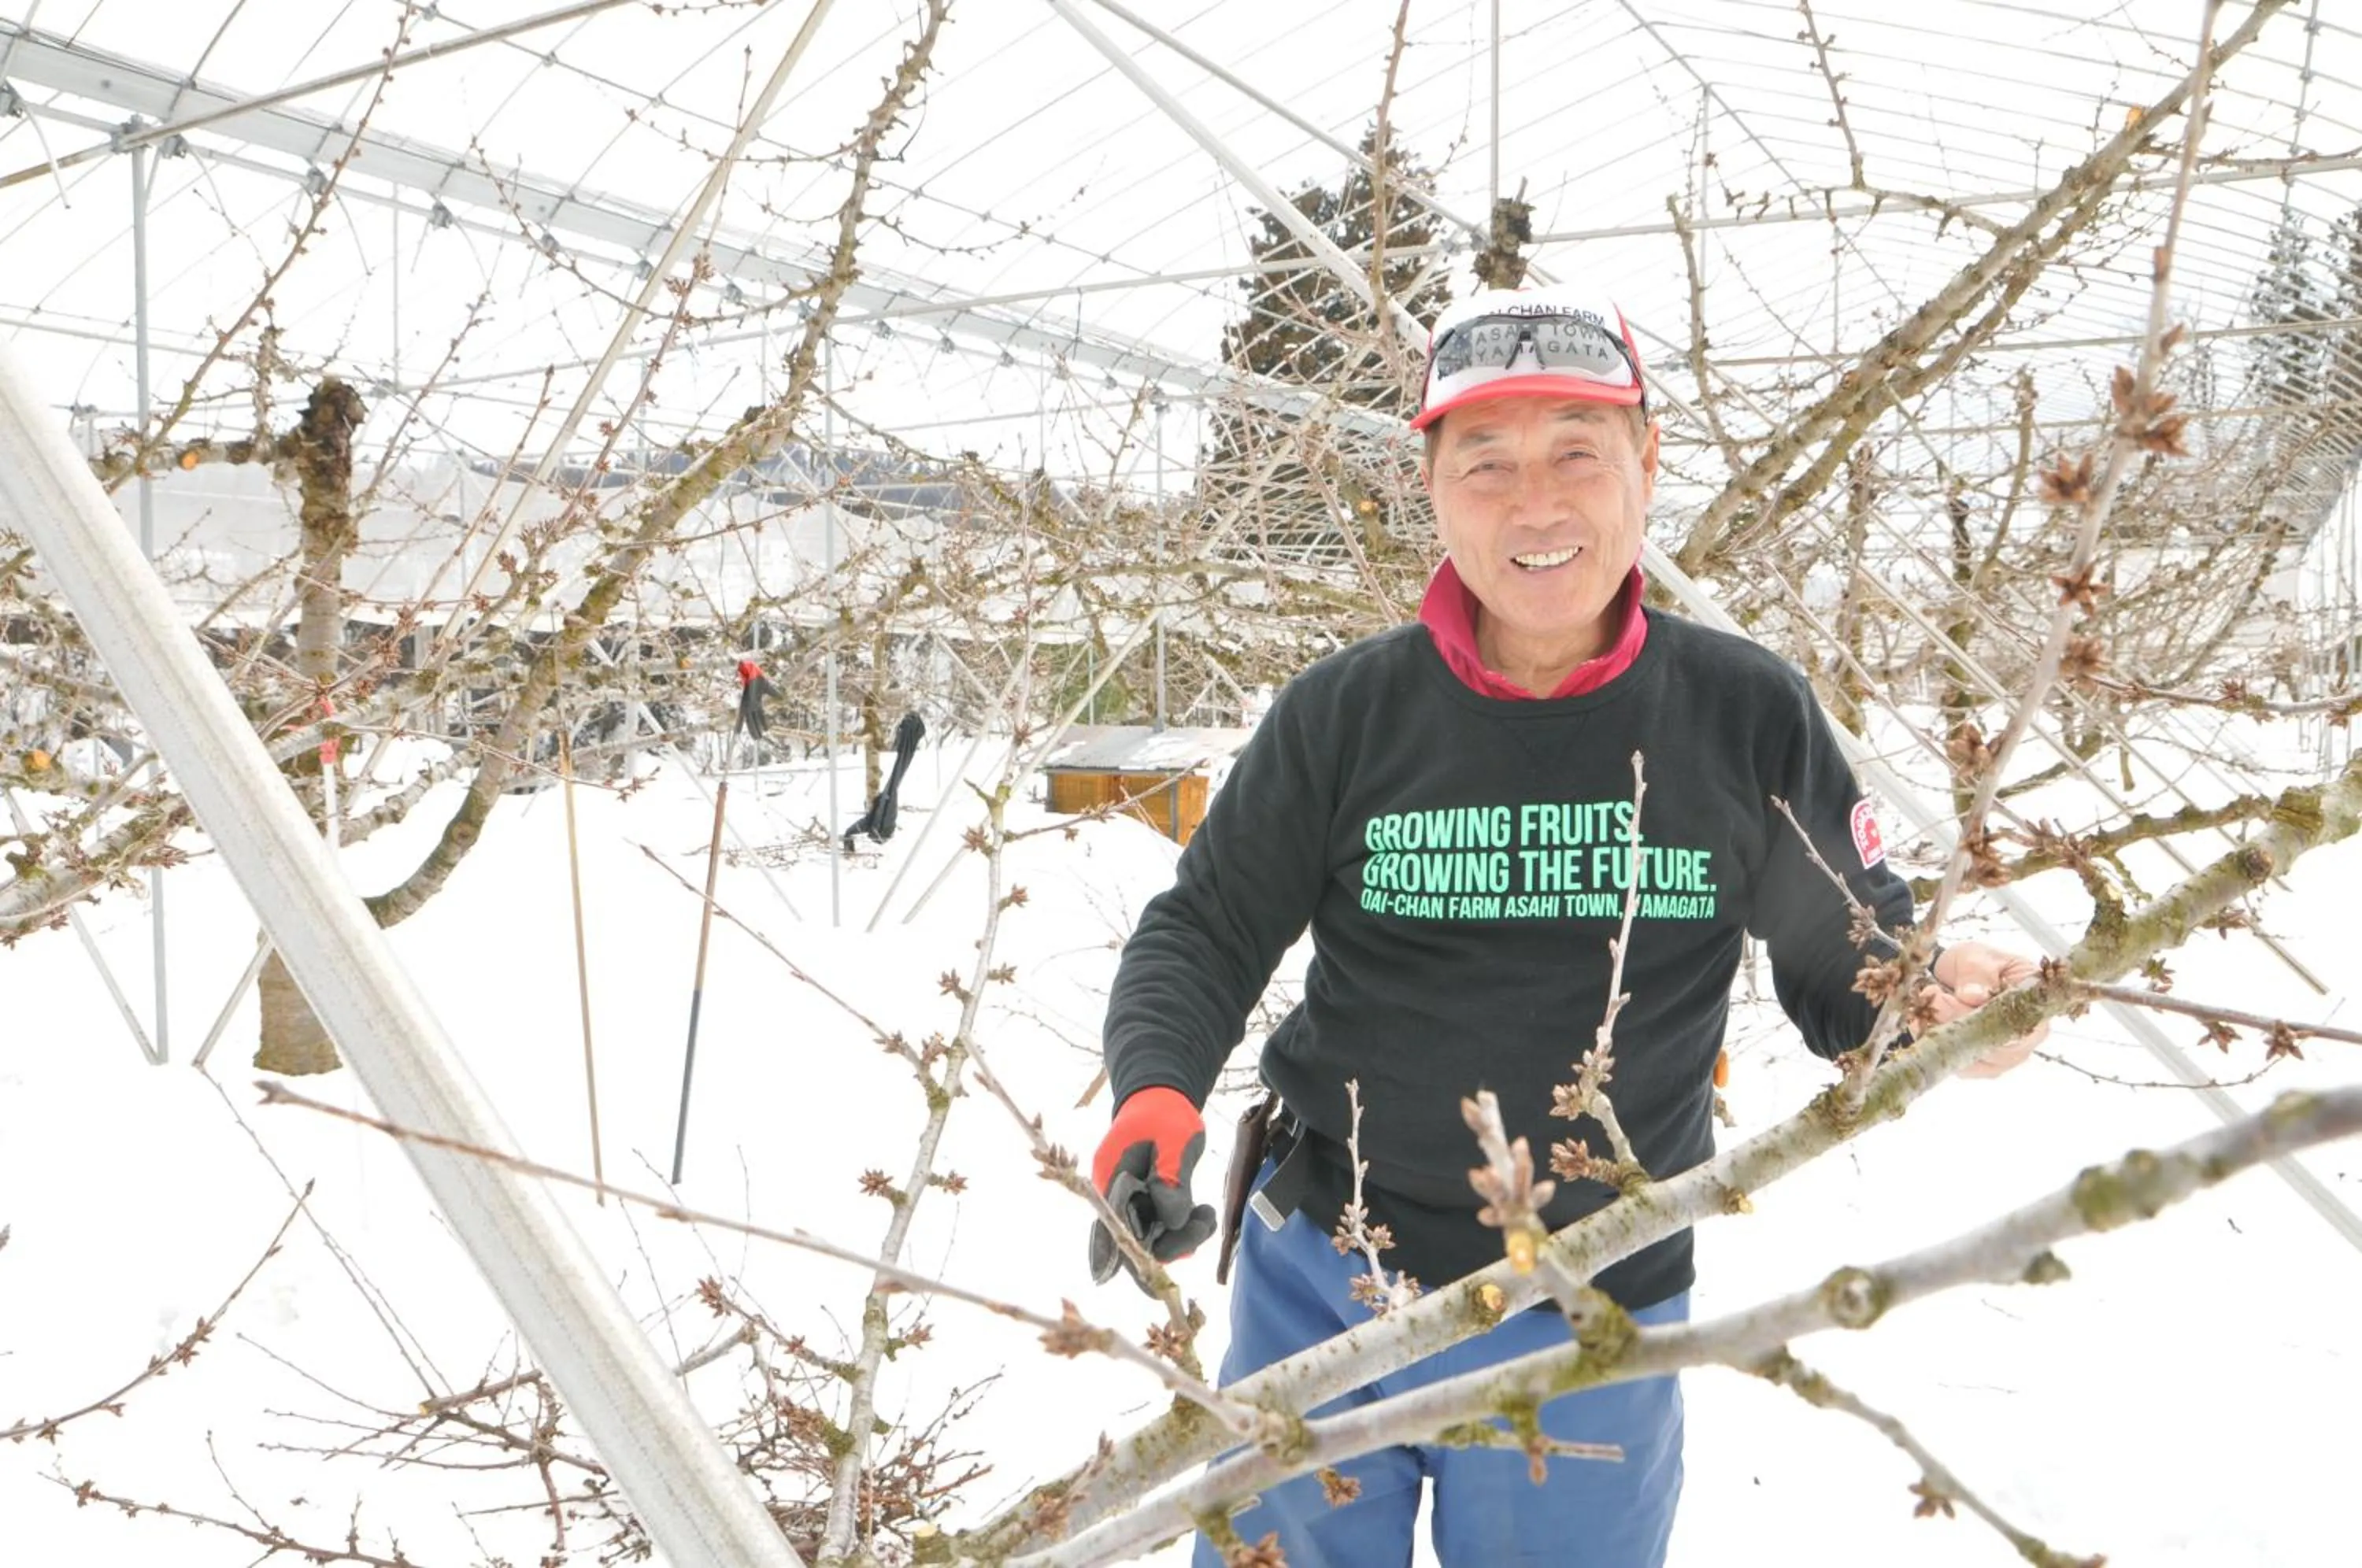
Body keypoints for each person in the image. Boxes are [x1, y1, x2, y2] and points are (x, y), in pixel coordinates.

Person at [1087, 281, 2047, 1568]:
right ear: (1431, 484)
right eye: (1486, 462)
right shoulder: (1347, 717)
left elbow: (1845, 966)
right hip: (1325, 1272)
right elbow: (1203, 931)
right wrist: (1155, 1103)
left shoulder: (1740, 716)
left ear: (1646, 467)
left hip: (1592, 1296)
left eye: (1578, 454)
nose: (1535, 503)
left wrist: (1929, 1003)